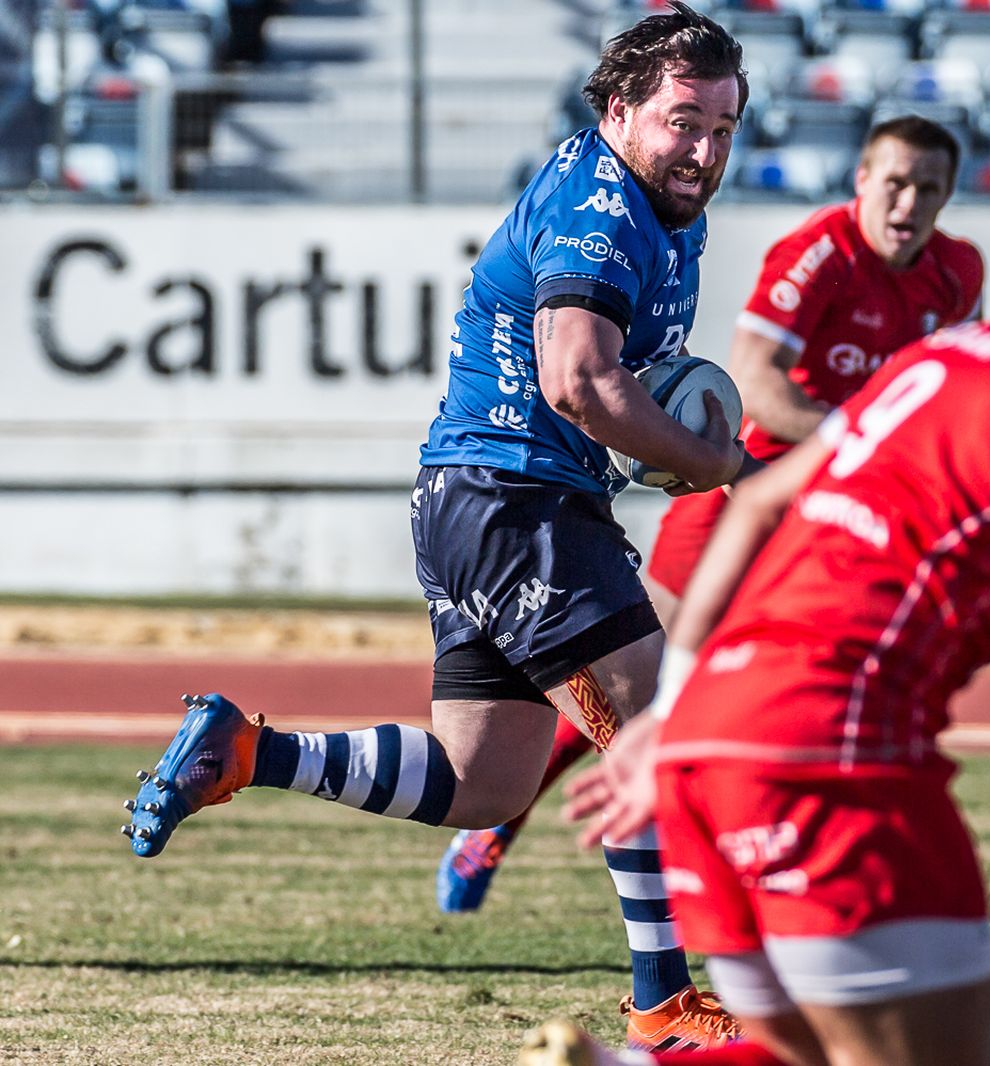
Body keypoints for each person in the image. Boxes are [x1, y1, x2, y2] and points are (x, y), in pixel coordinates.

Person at [518, 140, 990, 1066]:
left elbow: (759, 499)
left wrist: (671, 714)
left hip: (703, 764)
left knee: (815, 1047)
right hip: (834, 767)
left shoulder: (959, 354)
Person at [119, 3, 753, 1050]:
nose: (704, 148)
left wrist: (671, 444)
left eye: (724, 127)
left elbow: (605, 385)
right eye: (685, 120)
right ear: (620, 109)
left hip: (481, 503)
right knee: (657, 729)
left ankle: (246, 752)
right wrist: (714, 464)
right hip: (518, 503)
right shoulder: (603, 205)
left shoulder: (647, 204)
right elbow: (580, 381)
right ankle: (665, 1004)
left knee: (484, 780)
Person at [436, 114, 987, 915]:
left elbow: (947, 389)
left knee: (818, 680)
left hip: (847, 509)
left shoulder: (957, 271)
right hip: (745, 493)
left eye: (928, 190)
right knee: (633, 681)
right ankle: (501, 824)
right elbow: (761, 386)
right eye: (896, 183)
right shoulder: (818, 253)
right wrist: (868, 439)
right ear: (863, 180)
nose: (909, 204)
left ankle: (818, 859)